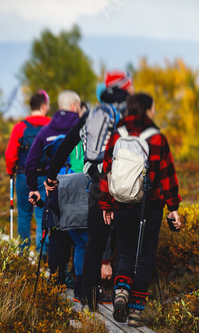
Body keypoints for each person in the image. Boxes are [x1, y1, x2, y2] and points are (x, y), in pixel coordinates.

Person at [45, 70, 135, 310]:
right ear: (125, 88)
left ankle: (87, 294)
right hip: (122, 184)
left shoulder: (91, 115)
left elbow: (66, 145)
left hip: (95, 183)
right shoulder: (125, 114)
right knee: (125, 243)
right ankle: (126, 295)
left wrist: (51, 176)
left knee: (95, 240)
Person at [99, 93, 182, 327]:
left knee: (125, 252)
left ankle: (121, 291)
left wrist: (107, 204)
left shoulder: (117, 135)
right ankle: (135, 312)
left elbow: (107, 170)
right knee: (144, 257)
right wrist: (173, 207)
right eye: (153, 107)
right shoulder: (157, 138)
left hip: (123, 205)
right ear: (147, 109)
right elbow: (167, 176)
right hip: (151, 206)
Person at [25, 90, 86, 293]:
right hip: (81, 187)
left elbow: (30, 162)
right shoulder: (84, 128)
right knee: (79, 233)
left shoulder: (46, 130)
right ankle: (77, 278)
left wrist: (34, 188)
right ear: (74, 106)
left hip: (56, 186)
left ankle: (56, 275)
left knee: (57, 230)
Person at [5, 90, 51, 254]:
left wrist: (11, 171)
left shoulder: (20, 128)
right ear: (44, 106)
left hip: (24, 176)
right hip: (46, 177)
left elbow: (10, 155)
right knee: (41, 215)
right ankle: (42, 254)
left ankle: (22, 253)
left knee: (24, 214)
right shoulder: (51, 126)